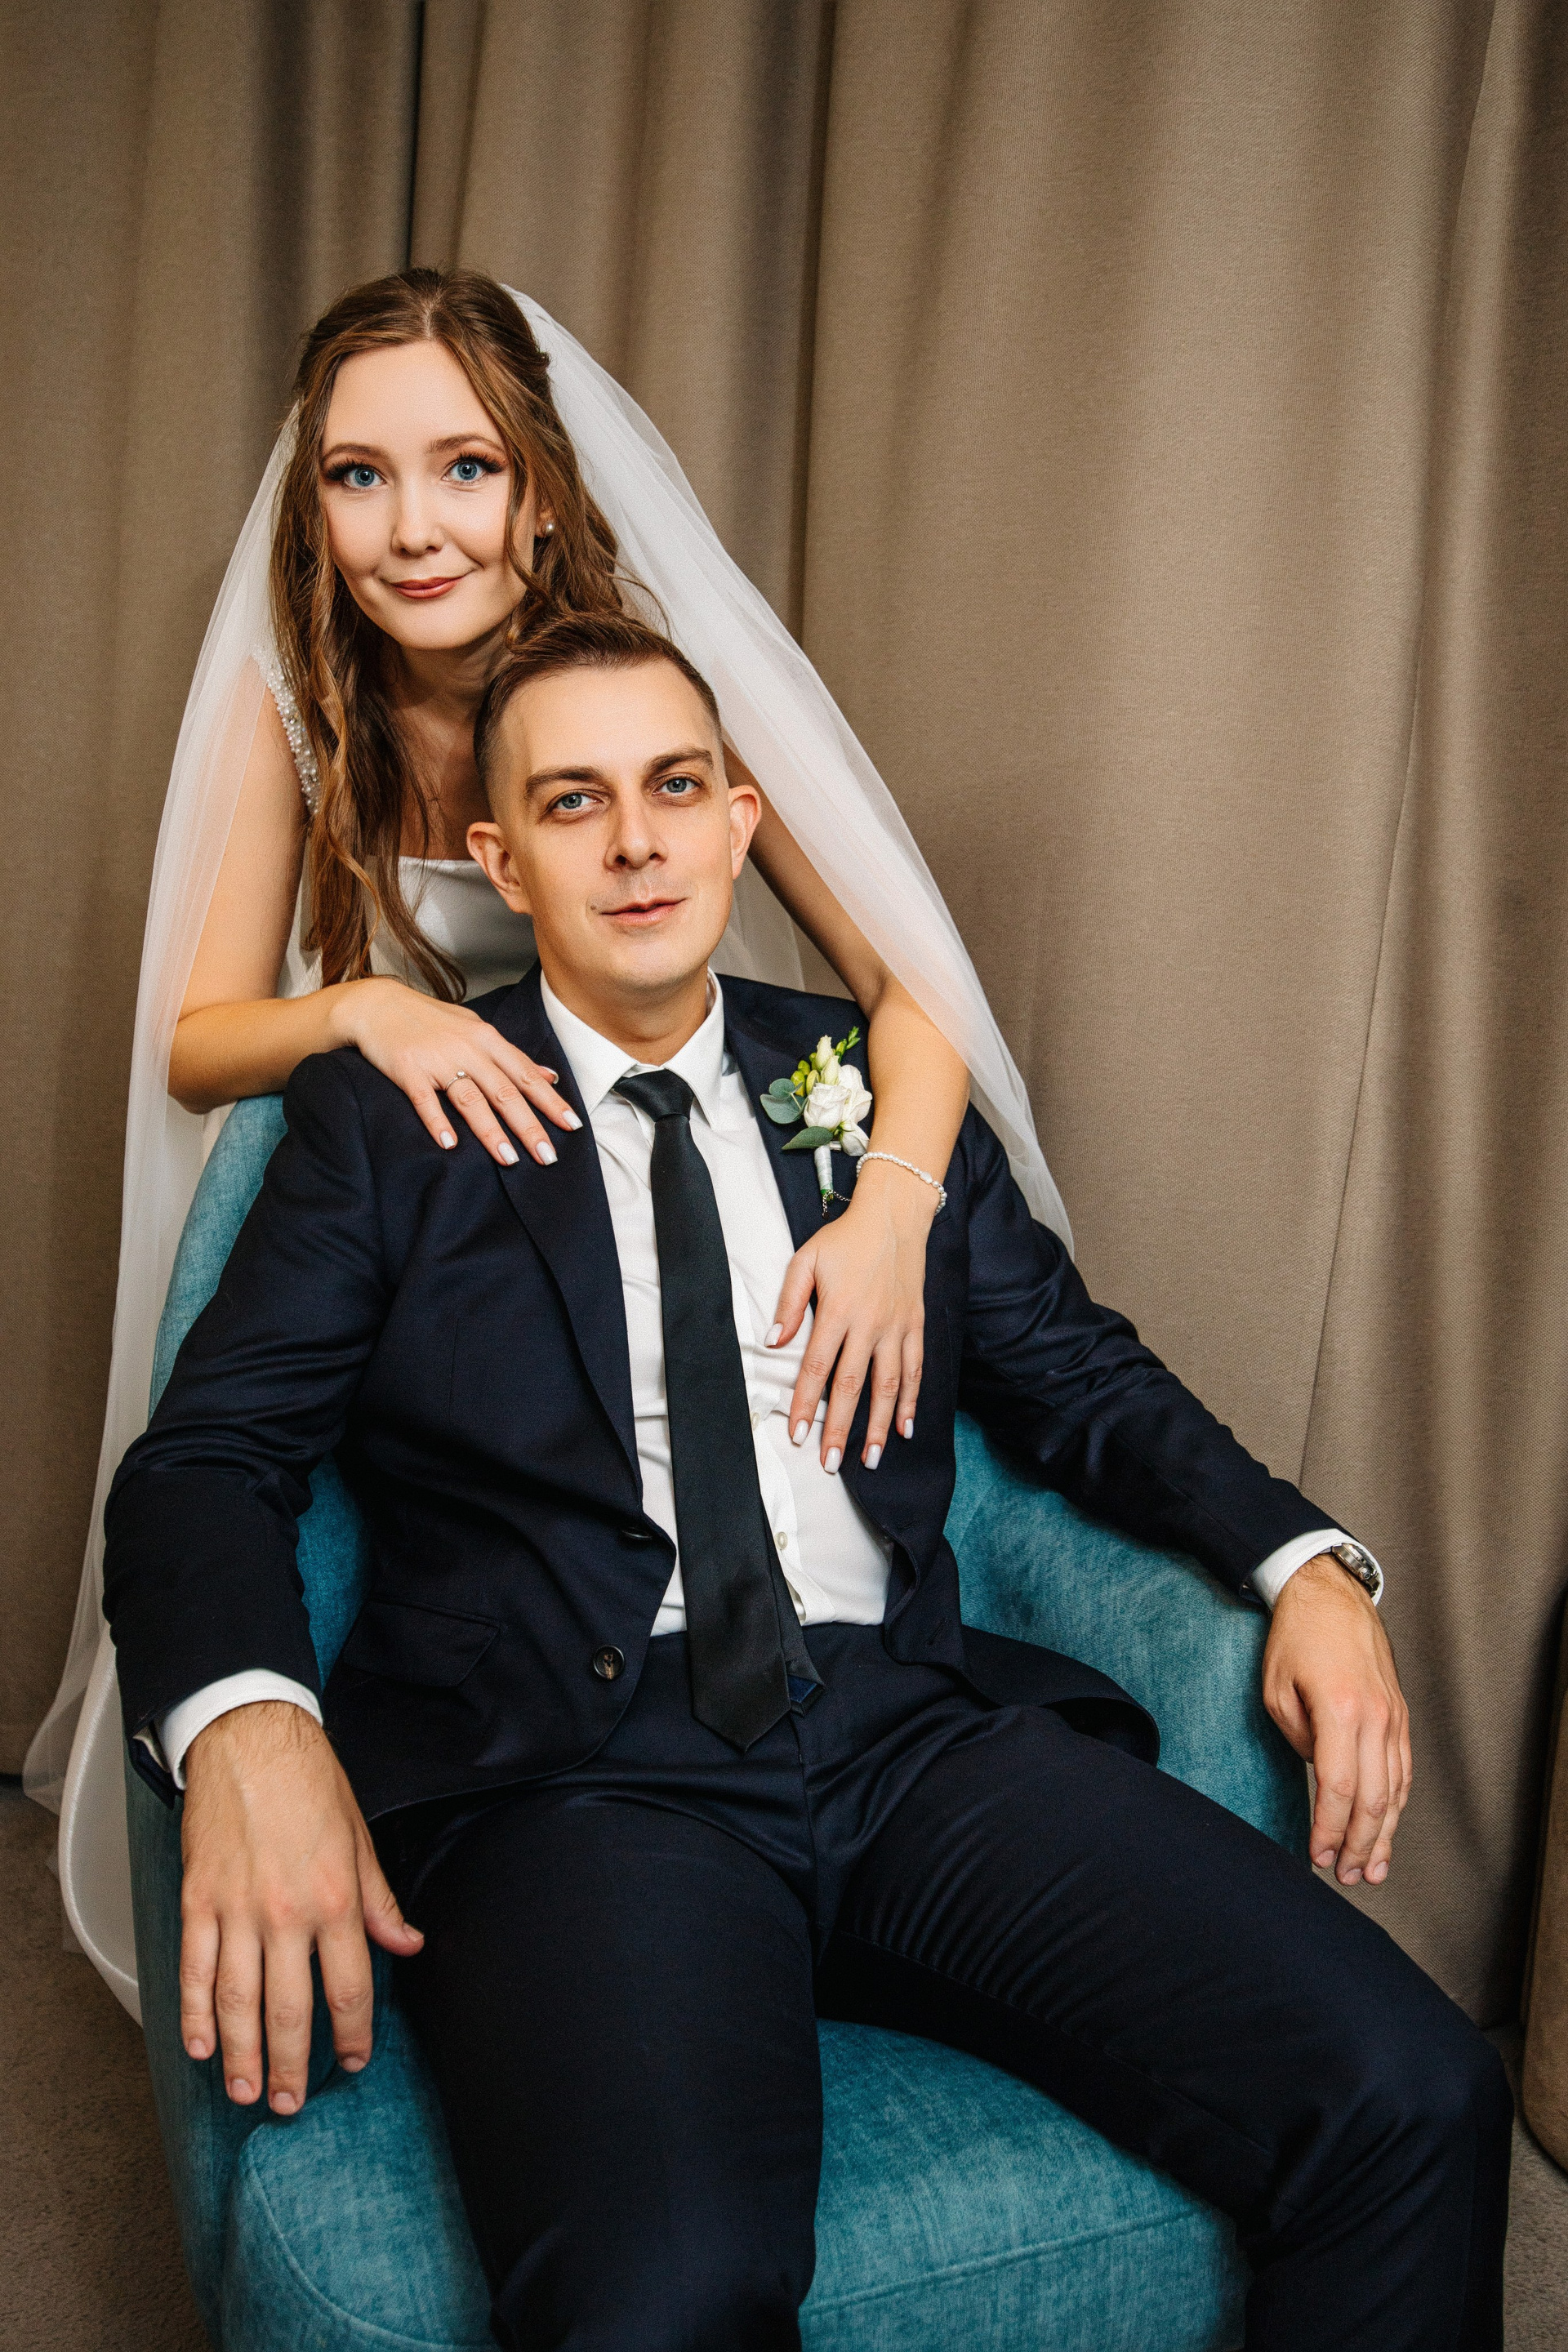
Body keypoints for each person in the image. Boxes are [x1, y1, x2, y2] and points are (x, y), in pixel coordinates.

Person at [105, 614, 1508, 2352]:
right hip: (584, 1783)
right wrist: (249, 1724)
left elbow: (1080, 1379)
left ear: (740, 817)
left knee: (1414, 2093)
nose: (638, 842)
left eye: (676, 788)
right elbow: (208, 1460)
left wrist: (1306, 1564)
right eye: (575, 801)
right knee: (665, 2289)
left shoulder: (863, 1095)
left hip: (912, 1740)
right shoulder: (390, 1122)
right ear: (504, 859)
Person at [29, 270, 1067, 2007]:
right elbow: (199, 1039)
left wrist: (894, 1203)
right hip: (413, 1175)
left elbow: (915, 985)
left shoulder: (648, 682)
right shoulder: (301, 695)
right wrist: (363, 1014)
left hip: (648, 1136)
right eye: (358, 476)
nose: (412, 528)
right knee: (288, 1476)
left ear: (538, 485)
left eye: (465, 468)